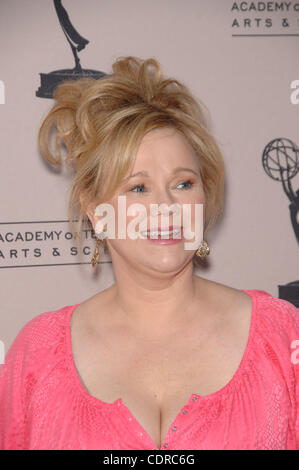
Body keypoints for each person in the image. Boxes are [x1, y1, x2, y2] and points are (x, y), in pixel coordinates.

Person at [0, 56, 298, 450]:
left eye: (184, 183)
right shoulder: (37, 355)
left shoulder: (283, 337)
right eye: (138, 188)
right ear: (94, 209)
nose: (166, 207)